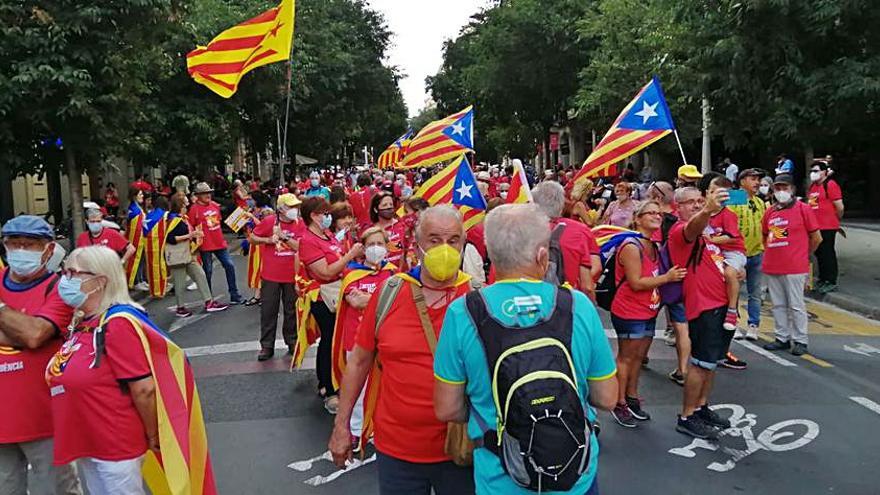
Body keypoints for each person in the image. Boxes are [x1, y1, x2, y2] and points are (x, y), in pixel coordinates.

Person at [432, 204, 617, 494]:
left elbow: (447, 408)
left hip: (500, 475)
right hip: (575, 472)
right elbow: (606, 397)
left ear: (490, 255)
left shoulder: (463, 312)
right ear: (543, 255)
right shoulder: (577, 305)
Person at [44, 246, 215, 495]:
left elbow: (144, 388)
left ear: (99, 281)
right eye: (64, 271)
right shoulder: (86, 322)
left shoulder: (118, 324)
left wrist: (153, 434)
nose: (64, 279)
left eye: (73, 273)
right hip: (90, 439)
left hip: (115, 443)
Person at [329, 206, 474, 494]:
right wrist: (341, 426)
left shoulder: (478, 299)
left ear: (463, 244)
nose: (444, 249)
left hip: (462, 448)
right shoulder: (388, 293)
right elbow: (358, 362)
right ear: (416, 245)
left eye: (453, 240)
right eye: (434, 240)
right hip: (397, 452)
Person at [0, 216, 82, 495]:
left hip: (45, 420)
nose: (21, 250)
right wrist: (20, 329)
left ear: (48, 250)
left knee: (58, 490)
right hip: (2, 424)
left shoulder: (60, 289)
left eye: (30, 245)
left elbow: (35, 335)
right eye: (15, 244)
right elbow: (30, 334)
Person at [610, 201, 687, 428]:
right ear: (638, 218)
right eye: (650, 213)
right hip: (629, 310)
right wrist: (667, 279)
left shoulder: (653, 245)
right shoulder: (631, 246)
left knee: (637, 358)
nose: (656, 216)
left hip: (648, 310)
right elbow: (636, 283)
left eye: (658, 213)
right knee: (626, 358)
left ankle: (632, 398)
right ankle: (619, 402)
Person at [667, 186, 734, 440]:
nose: (696, 205)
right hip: (703, 306)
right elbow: (691, 229)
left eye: (699, 201)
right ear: (678, 207)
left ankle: (701, 407)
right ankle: (687, 416)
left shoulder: (707, 233)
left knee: (711, 362)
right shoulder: (680, 231)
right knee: (700, 363)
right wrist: (707, 209)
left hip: (719, 305)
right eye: (690, 202)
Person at [331, 226, 396, 449]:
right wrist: (383, 298)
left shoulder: (394, 272)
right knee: (358, 386)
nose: (376, 249)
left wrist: (369, 299)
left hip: (387, 340)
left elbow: (399, 300)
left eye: (380, 244)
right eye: (371, 245)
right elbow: (355, 301)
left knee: (386, 386)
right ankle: (357, 430)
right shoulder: (352, 273)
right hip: (357, 340)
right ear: (362, 249)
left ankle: (379, 428)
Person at [299, 197, 365, 413]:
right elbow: (325, 271)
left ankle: (333, 381)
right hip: (324, 296)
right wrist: (350, 255)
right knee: (329, 340)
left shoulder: (325, 235)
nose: (328, 217)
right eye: (324, 213)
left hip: (338, 290)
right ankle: (327, 386)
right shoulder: (308, 240)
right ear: (313, 215)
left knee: (334, 339)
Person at [762, 174, 822, 356]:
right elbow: (765, 236)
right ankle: (782, 337)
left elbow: (817, 238)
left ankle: (800, 340)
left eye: (785, 188)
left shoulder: (803, 209)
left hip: (795, 266)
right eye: (777, 188)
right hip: (773, 265)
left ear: (793, 190)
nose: (781, 192)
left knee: (796, 305)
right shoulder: (770, 212)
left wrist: (804, 254)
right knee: (778, 305)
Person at [250, 194, 303, 360]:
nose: (294, 210)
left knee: (291, 310)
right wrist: (268, 239)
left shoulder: (300, 224)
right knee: (268, 310)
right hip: (271, 275)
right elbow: (252, 237)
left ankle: (292, 341)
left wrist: (284, 236)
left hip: (292, 274)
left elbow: (303, 246)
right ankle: (267, 346)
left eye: (295, 206)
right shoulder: (269, 221)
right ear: (281, 209)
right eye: (290, 207)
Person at [531, 181, 600, 296]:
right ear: (561, 204)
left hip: (532, 302)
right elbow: (593, 273)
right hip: (569, 299)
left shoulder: (522, 230)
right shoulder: (582, 231)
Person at [166, 195, 229, 317]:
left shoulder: (182, 218)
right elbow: (170, 238)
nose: (188, 203)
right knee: (179, 282)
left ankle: (209, 301)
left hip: (188, 253)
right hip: (178, 255)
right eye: (185, 202)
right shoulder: (173, 220)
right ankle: (180, 307)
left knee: (201, 275)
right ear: (180, 205)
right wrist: (191, 235)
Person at [704, 177, 747, 332]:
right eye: (711, 191)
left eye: (718, 193)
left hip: (733, 251)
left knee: (730, 274)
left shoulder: (728, 215)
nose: (713, 194)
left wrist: (712, 239)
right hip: (716, 252)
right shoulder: (704, 213)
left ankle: (732, 309)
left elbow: (731, 236)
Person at [189, 182, 243, 304]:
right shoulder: (194, 209)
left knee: (229, 266)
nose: (208, 195)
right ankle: (208, 298)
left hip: (219, 243)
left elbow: (218, 220)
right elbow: (191, 227)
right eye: (204, 193)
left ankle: (234, 294)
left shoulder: (214, 206)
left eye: (208, 192)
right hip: (205, 245)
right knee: (207, 271)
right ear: (198, 196)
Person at [730, 168, 768, 341]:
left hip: (756, 253)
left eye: (758, 179)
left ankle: (753, 324)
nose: (757, 182)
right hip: (738, 254)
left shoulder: (760, 202)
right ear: (742, 181)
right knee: (734, 291)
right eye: (753, 179)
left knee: (755, 292)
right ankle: (735, 323)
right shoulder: (734, 197)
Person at [807, 161, 844, 293]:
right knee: (819, 253)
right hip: (815, 226)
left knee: (828, 252)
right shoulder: (813, 187)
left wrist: (835, 219)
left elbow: (839, 207)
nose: (813, 174)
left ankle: (831, 280)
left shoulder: (830, 185)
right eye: (812, 171)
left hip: (828, 226)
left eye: (816, 171)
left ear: (824, 172)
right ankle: (822, 279)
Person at [370, 191, 406, 267]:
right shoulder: (371, 231)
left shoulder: (403, 225)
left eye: (391, 204)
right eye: (385, 205)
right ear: (376, 209)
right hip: (384, 274)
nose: (389, 207)